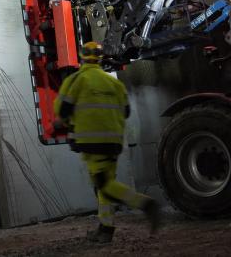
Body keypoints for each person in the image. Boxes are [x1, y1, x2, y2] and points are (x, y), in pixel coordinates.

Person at [53, 41, 160, 243]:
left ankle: (146, 204)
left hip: (91, 143)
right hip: (114, 143)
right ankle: (105, 229)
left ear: (82, 57)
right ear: (101, 59)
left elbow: (62, 112)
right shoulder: (114, 83)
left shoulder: (77, 80)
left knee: (103, 184)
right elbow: (126, 112)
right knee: (105, 185)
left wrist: (67, 123)